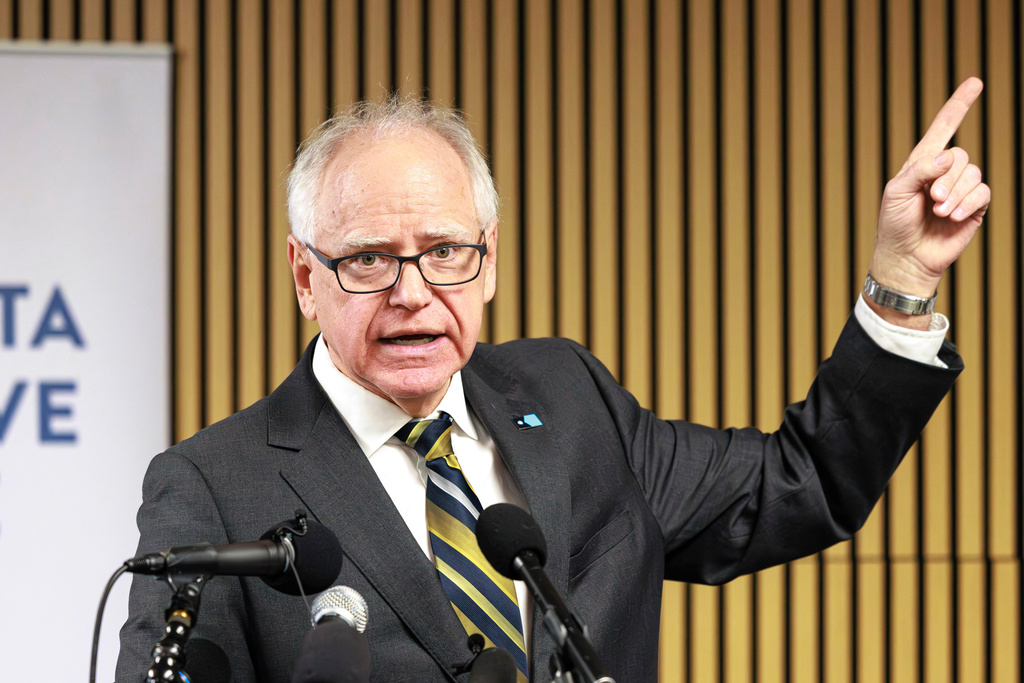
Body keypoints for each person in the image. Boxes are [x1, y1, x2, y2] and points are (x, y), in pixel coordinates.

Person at [117, 78, 989, 682]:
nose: (413, 293)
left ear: (490, 259)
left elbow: (801, 484)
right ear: (306, 277)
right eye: (369, 259)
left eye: (445, 251)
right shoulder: (214, 487)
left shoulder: (569, 399)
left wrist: (902, 279)